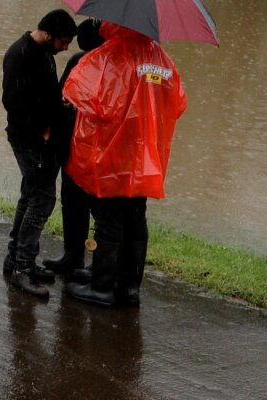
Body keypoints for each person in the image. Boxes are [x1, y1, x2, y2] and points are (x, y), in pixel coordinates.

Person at [61, 21, 188, 308]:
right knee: (135, 220)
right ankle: (129, 287)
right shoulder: (161, 59)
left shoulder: (108, 56)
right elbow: (178, 104)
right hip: (145, 159)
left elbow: (80, 94)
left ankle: (102, 287)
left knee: (108, 221)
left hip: (111, 154)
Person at [1, 8, 77, 298]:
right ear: (48, 34)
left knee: (30, 195)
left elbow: (44, 95)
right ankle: (23, 268)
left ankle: (16, 260)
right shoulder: (19, 55)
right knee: (42, 200)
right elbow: (12, 102)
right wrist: (41, 129)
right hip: (28, 139)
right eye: (63, 41)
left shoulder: (45, 54)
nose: (66, 47)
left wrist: (60, 107)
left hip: (41, 137)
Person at [42, 18, 105, 283]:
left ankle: (98, 264)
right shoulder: (78, 62)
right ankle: (73, 254)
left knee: (100, 209)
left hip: (99, 149)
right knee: (72, 200)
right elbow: (60, 98)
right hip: (74, 145)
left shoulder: (114, 68)